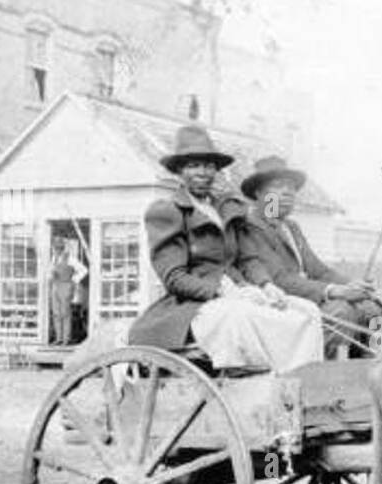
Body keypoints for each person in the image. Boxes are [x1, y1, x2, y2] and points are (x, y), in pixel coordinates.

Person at [126, 126, 323, 372]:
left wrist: (266, 285)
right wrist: (222, 290)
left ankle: (299, 379)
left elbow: (248, 258)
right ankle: (267, 381)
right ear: (179, 171)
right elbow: (174, 278)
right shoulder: (168, 211)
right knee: (242, 316)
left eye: (208, 166)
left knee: (307, 311)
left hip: (240, 292)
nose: (202, 173)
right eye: (193, 166)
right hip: (195, 304)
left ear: (216, 171)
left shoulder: (227, 209)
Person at [241, 155, 382, 358]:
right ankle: (326, 375)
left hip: (308, 299)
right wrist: (336, 291)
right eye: (278, 186)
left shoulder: (291, 227)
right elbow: (280, 279)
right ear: (258, 193)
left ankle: (365, 366)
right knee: (340, 312)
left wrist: (360, 288)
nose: (288, 192)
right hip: (277, 305)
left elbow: (318, 270)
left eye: (292, 187)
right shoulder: (250, 226)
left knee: (374, 307)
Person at [48, 241, 80, 345]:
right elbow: (50, 272)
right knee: (56, 313)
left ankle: (66, 339)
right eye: (55, 248)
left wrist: (73, 280)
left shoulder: (70, 259)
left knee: (65, 313)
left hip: (66, 286)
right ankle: (59, 338)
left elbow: (83, 270)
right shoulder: (53, 259)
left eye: (58, 248)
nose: (56, 250)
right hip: (55, 286)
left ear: (62, 249)